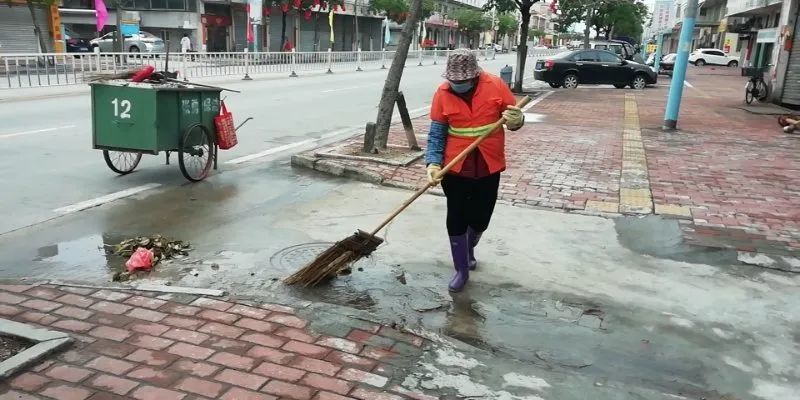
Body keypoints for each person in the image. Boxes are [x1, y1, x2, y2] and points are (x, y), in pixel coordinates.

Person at [425, 49, 524, 293]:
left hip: (488, 164)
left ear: (474, 76)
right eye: (454, 81)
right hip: (455, 167)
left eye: (462, 81)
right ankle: (461, 268)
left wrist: (516, 120)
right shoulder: (442, 93)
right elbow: (437, 132)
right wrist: (433, 164)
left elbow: (515, 119)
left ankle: (469, 247)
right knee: (457, 216)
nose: (458, 84)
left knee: (481, 218)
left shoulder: (495, 85)